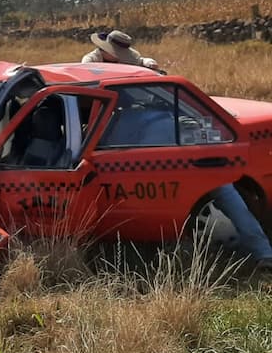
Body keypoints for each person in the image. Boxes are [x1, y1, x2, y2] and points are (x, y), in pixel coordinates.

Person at [86, 47, 272, 271]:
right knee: (225, 195)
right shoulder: (148, 88)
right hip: (184, 158)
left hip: (167, 158)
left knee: (214, 194)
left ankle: (183, 255)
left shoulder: (126, 104)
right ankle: (261, 252)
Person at [82, 30, 159, 70]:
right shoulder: (90, 60)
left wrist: (149, 62)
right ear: (106, 50)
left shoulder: (126, 59)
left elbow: (140, 61)